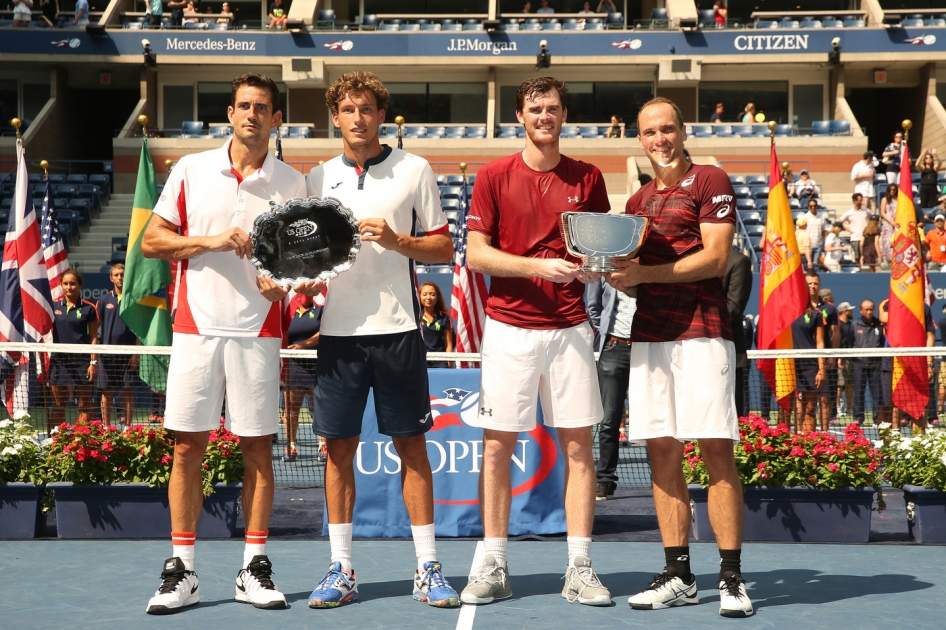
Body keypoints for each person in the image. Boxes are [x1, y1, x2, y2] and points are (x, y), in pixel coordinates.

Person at [141, 73, 307, 614]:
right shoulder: (190, 170)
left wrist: (282, 284)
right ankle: (182, 571)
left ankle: (253, 568)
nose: (252, 115)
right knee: (188, 448)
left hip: (257, 333)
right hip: (194, 328)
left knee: (257, 448)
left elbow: (301, 270)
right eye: (243, 106)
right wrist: (209, 241)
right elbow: (151, 241)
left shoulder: (293, 184)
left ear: (276, 118)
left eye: (262, 107)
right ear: (230, 115)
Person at [303, 71, 460, 609]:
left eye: (366, 108)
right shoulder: (317, 177)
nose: (357, 118)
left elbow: (443, 247)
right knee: (338, 450)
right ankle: (341, 569)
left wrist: (399, 241)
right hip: (339, 337)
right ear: (336, 116)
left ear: (380, 113)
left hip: (399, 332)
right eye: (347, 109)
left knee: (411, 447)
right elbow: (305, 257)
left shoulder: (415, 168)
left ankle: (427, 567)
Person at [460, 76, 612, 608]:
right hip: (508, 328)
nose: (543, 115)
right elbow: (477, 255)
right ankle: (494, 561)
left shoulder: (589, 177)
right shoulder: (493, 175)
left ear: (564, 115)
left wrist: (595, 269)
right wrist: (535, 266)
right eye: (534, 108)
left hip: (570, 328)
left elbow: (595, 251)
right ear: (519, 117)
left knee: (578, 448)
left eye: (551, 108)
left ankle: (580, 566)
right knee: (497, 447)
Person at [609, 97, 753, 618]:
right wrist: (599, 265)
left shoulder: (711, 180)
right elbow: (623, 266)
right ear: (640, 140)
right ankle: (679, 572)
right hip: (650, 336)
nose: (660, 140)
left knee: (716, 451)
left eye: (668, 129)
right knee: (662, 454)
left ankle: (731, 577)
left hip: (703, 333)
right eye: (650, 132)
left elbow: (715, 258)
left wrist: (642, 275)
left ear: (683, 131)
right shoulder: (637, 202)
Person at [586, 277, 635, 502]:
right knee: (608, 422)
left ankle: (661, 479)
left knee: (655, 420)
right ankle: (605, 481)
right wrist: (606, 331)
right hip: (613, 346)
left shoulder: (651, 263)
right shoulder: (604, 265)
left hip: (648, 347)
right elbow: (593, 307)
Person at [48, 270, 99, 433]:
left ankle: (80, 440)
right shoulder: (53, 306)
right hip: (58, 362)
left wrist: (93, 362)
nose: (69, 287)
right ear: (61, 286)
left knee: (84, 405)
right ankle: (57, 440)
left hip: (81, 362)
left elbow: (93, 337)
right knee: (58, 405)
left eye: (73, 283)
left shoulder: (89, 308)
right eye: (65, 284)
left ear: (80, 285)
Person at [96, 264, 140, 427]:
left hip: (128, 355)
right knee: (107, 392)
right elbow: (96, 327)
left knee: (127, 391)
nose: (120, 278)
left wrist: (135, 354)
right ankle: (106, 427)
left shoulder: (134, 300)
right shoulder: (103, 300)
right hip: (107, 355)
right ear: (111, 278)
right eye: (116, 275)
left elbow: (138, 330)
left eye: (122, 274)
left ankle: (128, 428)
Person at [282, 292, 322, 462]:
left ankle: (323, 444)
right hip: (294, 367)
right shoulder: (289, 312)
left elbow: (324, 331)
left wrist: (303, 345)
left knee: (319, 409)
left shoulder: (321, 309)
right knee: (290, 410)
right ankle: (291, 446)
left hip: (317, 365)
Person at [791, 272, 827, 433]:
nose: (809, 288)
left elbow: (820, 342)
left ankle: (808, 443)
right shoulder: (786, 310)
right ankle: (791, 443)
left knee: (809, 407)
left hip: (810, 365)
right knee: (791, 407)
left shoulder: (816, 314)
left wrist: (821, 369)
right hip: (789, 363)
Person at [723, 249, 752, 417]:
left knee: (730, 416)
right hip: (690, 351)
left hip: (727, 351)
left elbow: (733, 309)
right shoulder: (690, 257)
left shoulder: (738, 261)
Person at [850, 300, 885, 426]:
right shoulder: (854, 325)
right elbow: (849, 343)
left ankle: (877, 418)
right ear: (861, 310)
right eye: (866, 309)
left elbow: (882, 343)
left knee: (877, 393)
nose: (869, 312)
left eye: (871, 309)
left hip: (875, 364)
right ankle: (858, 417)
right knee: (858, 392)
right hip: (859, 364)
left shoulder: (879, 325)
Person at [815, 284, 840, 430]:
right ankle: (802, 434)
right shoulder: (800, 307)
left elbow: (835, 333)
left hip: (825, 358)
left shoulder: (830, 309)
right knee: (805, 400)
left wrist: (832, 356)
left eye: (815, 283)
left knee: (825, 398)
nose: (812, 286)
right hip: (806, 360)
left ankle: (824, 434)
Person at [418, 281, 454, 368]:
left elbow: (448, 344)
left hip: (440, 362)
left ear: (437, 297)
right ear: (419, 296)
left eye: (432, 294)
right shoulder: (416, 317)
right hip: (421, 360)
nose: (428, 297)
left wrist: (450, 365)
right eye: (425, 294)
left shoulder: (445, 317)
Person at [839, 192, 870, 263]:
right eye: (859, 200)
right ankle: (859, 269)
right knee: (857, 256)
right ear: (854, 201)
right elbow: (839, 221)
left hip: (865, 237)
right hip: (855, 237)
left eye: (862, 200)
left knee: (867, 255)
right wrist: (848, 229)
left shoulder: (866, 211)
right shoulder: (849, 213)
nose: (861, 202)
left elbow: (874, 219)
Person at [836, 301, 855, 418]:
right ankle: (837, 408)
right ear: (844, 311)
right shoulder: (838, 325)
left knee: (849, 384)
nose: (851, 312)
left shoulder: (851, 325)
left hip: (850, 358)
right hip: (840, 358)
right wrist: (839, 358)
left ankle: (849, 408)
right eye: (849, 310)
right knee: (839, 385)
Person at [803, 199, 828, 269]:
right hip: (808, 245)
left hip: (818, 245)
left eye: (814, 206)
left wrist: (826, 243)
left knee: (816, 265)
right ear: (808, 207)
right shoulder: (804, 217)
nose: (813, 207)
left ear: (817, 206)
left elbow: (825, 231)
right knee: (809, 265)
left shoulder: (821, 217)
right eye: (811, 206)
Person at [880, 183, 898, 264]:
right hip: (888, 222)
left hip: (897, 222)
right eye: (890, 189)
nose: (892, 191)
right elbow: (882, 212)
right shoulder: (885, 199)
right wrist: (891, 221)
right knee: (887, 241)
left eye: (894, 189)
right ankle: (887, 259)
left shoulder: (898, 199)